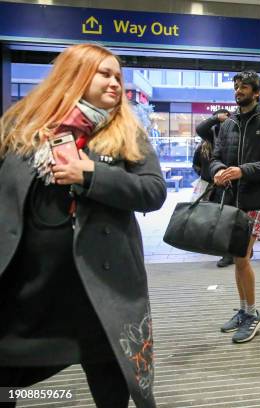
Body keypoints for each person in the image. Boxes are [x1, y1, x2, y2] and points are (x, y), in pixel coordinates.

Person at [0, 43, 166, 407]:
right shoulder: (21, 125)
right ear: (74, 75)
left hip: (99, 286)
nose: (115, 83)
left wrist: (91, 174)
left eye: (118, 76)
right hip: (28, 285)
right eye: (104, 74)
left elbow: (153, 192)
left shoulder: (126, 132)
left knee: (110, 383)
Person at [209, 70, 260, 343]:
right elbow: (215, 156)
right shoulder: (228, 124)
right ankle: (243, 310)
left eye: (244, 87)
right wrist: (219, 170)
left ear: (257, 92)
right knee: (237, 259)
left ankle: (252, 314)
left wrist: (242, 171)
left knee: (242, 257)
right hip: (230, 200)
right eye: (236, 86)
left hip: (256, 199)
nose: (238, 90)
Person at [194, 108, 234, 268]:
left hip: (229, 181)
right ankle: (223, 249)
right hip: (211, 183)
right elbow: (200, 128)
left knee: (226, 219)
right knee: (214, 217)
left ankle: (229, 253)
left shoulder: (234, 132)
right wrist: (217, 119)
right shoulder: (212, 134)